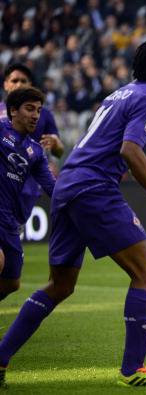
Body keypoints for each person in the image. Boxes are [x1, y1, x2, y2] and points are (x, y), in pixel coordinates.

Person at [0, 40, 146, 387]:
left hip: (68, 185)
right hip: (93, 187)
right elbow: (130, 150)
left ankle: (0, 359)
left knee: (61, 285)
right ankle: (133, 369)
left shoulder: (119, 93)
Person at [0, 87, 55, 302]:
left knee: (12, 282)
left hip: (9, 221)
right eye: (29, 109)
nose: (35, 115)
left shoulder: (36, 152)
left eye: (39, 111)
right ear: (13, 111)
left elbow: (51, 187)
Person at [0, 63, 64, 230]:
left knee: (11, 243)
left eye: (23, 81)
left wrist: (56, 144)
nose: (19, 84)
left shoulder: (44, 114)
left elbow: (58, 151)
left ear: (30, 85)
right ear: (6, 84)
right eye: (14, 80)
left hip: (26, 187)